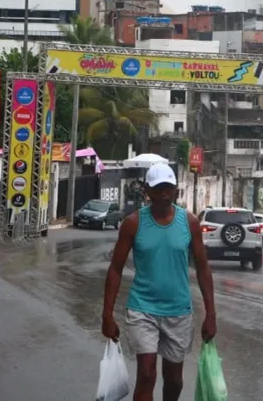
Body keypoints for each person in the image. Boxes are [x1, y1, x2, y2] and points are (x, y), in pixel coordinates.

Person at [102, 163, 216, 401]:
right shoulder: (133, 224)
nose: (164, 194)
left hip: (179, 312)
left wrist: (211, 314)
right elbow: (115, 269)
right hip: (142, 309)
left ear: (175, 190)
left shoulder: (190, 223)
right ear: (148, 191)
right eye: (158, 188)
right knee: (146, 374)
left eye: (168, 188)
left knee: (174, 381)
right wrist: (107, 314)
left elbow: (204, 269)